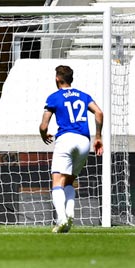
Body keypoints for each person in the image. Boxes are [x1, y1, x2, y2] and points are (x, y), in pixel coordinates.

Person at [39, 64, 103, 233]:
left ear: (57, 79)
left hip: (66, 139)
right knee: (68, 181)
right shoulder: (84, 96)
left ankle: (61, 219)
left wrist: (43, 134)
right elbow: (99, 113)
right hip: (84, 141)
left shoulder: (54, 97)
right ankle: (69, 213)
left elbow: (44, 125)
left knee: (57, 182)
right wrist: (98, 136)